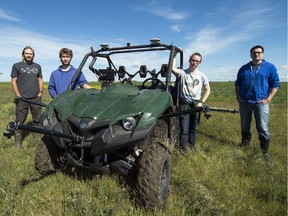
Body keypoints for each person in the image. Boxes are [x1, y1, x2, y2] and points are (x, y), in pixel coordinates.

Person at [235, 45, 280, 161]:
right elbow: (238, 83)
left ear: (262, 54)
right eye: (254, 53)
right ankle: (245, 144)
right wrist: (238, 96)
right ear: (250, 55)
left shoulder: (270, 67)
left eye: (259, 52)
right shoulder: (244, 68)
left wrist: (268, 98)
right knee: (245, 125)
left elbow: (275, 84)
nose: (256, 54)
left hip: (261, 103)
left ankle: (264, 152)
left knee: (262, 127)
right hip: (245, 102)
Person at [172, 52, 211, 153]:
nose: (195, 63)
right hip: (184, 104)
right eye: (193, 60)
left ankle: (192, 147)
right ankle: (183, 150)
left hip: (196, 104)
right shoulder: (182, 73)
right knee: (184, 128)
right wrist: (174, 56)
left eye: (197, 61)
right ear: (189, 60)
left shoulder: (202, 76)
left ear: (199, 63)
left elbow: (208, 90)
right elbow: (172, 69)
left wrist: (201, 102)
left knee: (193, 127)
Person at [11, 46, 44, 148]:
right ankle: (17, 145)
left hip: (35, 98)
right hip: (22, 98)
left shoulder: (37, 66)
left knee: (37, 120)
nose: (29, 55)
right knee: (19, 121)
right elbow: (13, 81)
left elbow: (40, 80)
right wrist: (18, 95)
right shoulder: (17, 66)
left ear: (33, 55)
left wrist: (40, 92)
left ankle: (37, 140)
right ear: (23, 54)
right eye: (27, 53)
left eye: (31, 54)